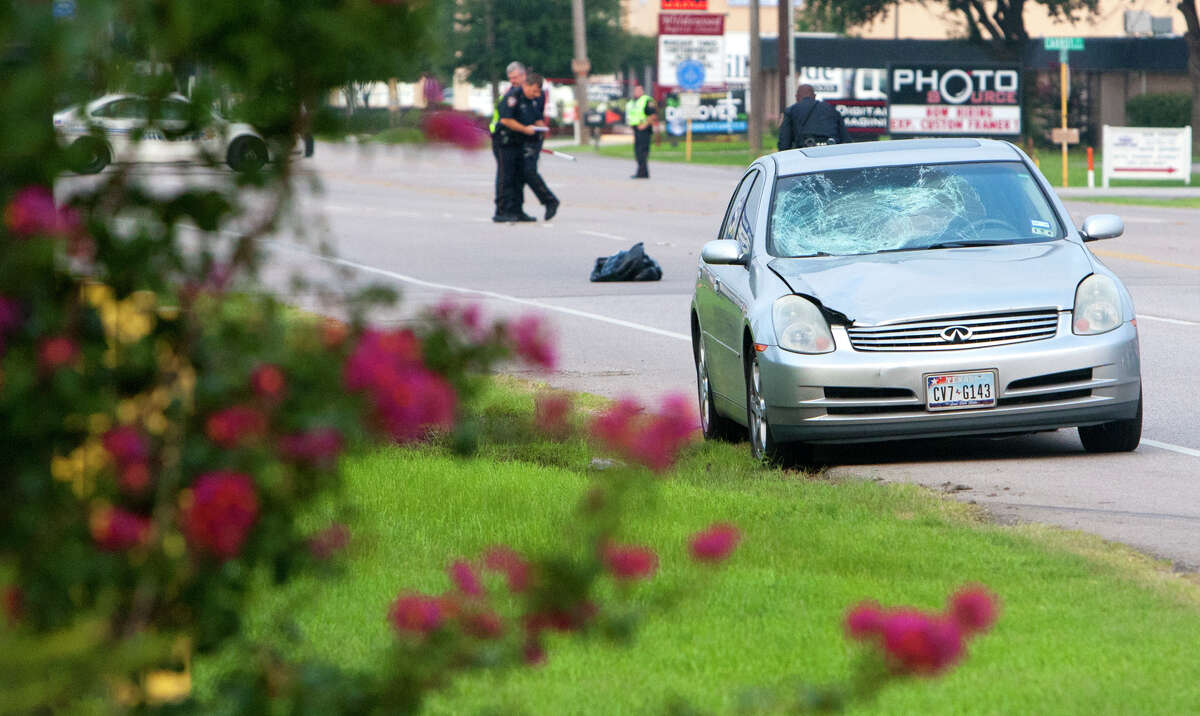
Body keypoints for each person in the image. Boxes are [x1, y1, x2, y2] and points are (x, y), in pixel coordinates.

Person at [514, 73, 559, 220]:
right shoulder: (517, 94)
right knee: (519, 175)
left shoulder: (535, 96)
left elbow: (536, 117)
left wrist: (540, 129)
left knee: (529, 172)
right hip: (520, 139)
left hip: (533, 138)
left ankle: (550, 200)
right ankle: (517, 210)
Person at [490, 62, 530, 222]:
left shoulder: (525, 94)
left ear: (523, 75)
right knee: (505, 177)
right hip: (503, 140)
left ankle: (517, 210)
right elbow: (506, 120)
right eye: (510, 78)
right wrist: (527, 130)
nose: (513, 80)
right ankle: (501, 211)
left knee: (518, 177)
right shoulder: (511, 95)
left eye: (515, 77)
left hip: (517, 141)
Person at [777, 83, 851, 151]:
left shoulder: (791, 111)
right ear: (814, 96)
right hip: (830, 153)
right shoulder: (831, 109)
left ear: (796, 97)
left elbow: (784, 144)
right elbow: (846, 140)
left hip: (805, 155)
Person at [625, 84, 656, 179]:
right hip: (636, 129)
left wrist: (644, 125)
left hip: (644, 130)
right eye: (636, 90)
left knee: (642, 152)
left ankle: (642, 173)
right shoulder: (632, 102)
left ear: (642, 91)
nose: (637, 92)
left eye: (639, 90)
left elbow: (653, 115)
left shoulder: (647, 100)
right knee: (637, 152)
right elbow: (631, 115)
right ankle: (642, 172)